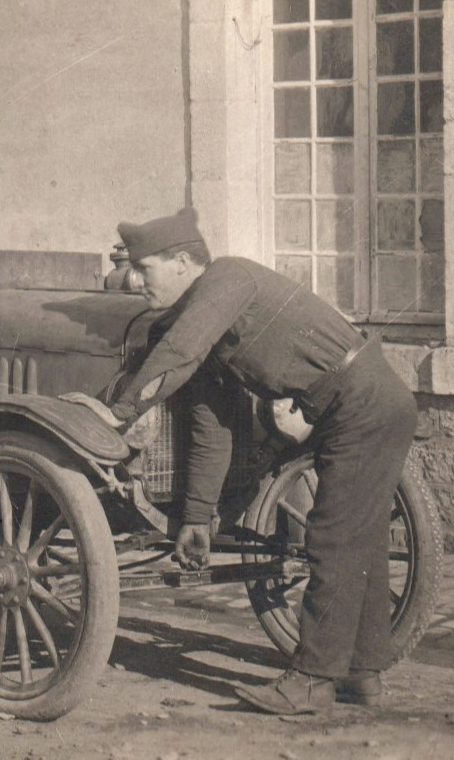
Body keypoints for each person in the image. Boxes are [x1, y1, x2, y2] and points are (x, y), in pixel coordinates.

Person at [90, 207, 417, 715]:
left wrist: (119, 414)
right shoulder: (208, 320)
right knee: (362, 544)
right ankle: (360, 671)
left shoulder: (227, 279)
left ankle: (309, 683)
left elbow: (177, 351)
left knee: (331, 538)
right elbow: (211, 429)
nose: (135, 282)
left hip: (363, 401)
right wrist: (197, 517)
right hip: (354, 404)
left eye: (144, 268)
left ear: (182, 261)